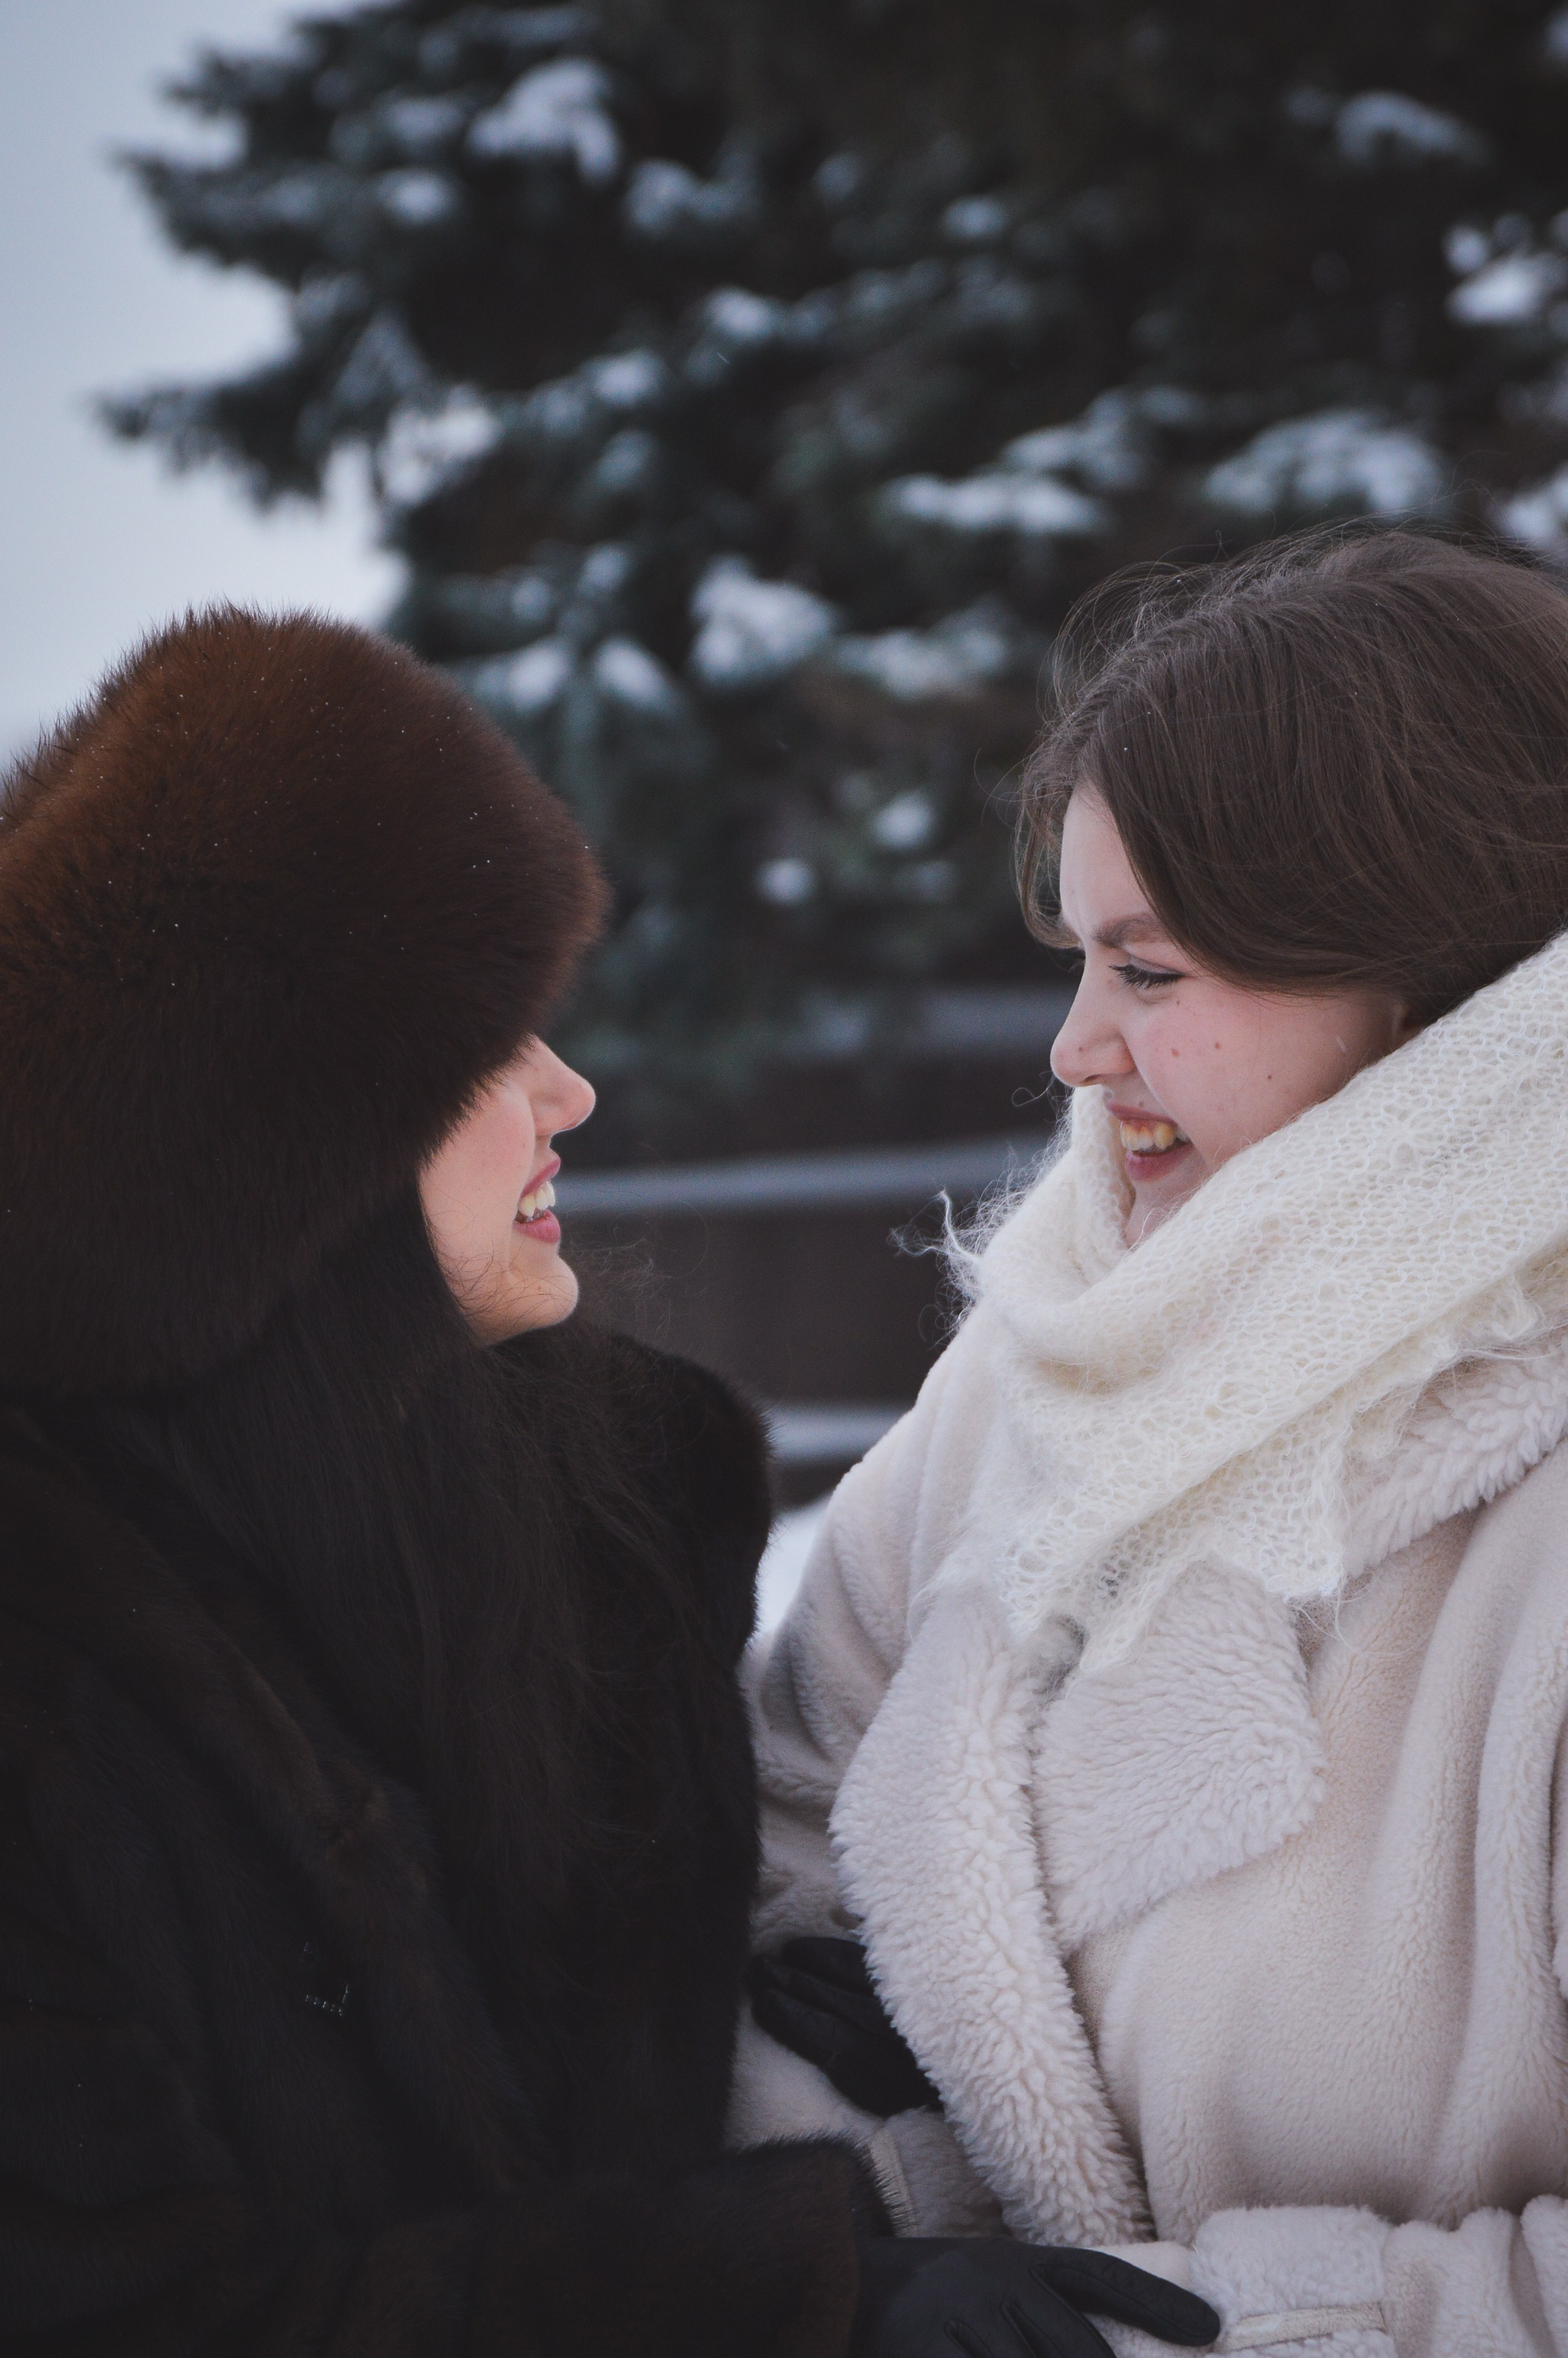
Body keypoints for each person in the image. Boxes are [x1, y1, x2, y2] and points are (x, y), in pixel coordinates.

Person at [0, 604, 1214, 2358]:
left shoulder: (586, 1530)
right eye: (483, 1053)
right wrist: (791, 2304)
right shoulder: (49, 1665)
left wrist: (783, 2015)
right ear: (278, 1154)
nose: (567, 1090)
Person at [738, 527, 1568, 2355]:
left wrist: (1178, 2336)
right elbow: (782, 1853)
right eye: (1075, 960)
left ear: (1428, 984)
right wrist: (864, 2208)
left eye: (1152, 970)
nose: (1073, 1050)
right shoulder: (1045, 1375)